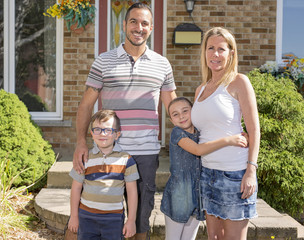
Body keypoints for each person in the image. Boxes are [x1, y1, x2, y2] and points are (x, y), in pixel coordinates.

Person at [73, 3, 177, 239]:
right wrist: (81, 142)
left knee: (140, 220)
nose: (138, 28)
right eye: (133, 22)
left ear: (151, 28)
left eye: (144, 23)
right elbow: (86, 105)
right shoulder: (103, 61)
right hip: (108, 151)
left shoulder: (163, 64)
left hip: (145, 153)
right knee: (98, 215)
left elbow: (173, 109)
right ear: (124, 25)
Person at [191, 27, 260, 240]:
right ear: (204, 52)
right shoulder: (200, 89)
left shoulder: (239, 82)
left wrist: (251, 170)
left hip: (234, 174)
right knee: (213, 237)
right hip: (207, 174)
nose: (215, 54)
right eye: (210, 48)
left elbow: (254, 129)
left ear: (231, 53)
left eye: (221, 49)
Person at [160, 97, 248, 240]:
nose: (181, 116)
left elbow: (214, 136)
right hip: (179, 196)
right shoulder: (177, 133)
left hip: (198, 195)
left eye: (185, 111)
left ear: (193, 111)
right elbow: (198, 150)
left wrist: (240, 136)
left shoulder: (201, 133)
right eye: (175, 114)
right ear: (171, 121)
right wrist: (229, 140)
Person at [68, 109, 139, 239]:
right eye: (97, 129)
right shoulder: (85, 158)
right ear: (92, 133)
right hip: (86, 217)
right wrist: (74, 216)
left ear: (117, 134)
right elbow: (76, 188)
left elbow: (132, 192)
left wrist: (131, 220)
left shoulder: (127, 160)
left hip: (114, 219)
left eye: (108, 130)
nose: (102, 134)